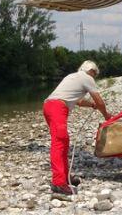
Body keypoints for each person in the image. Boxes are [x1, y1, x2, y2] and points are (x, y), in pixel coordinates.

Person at [43, 60, 111, 197]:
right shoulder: (87, 78)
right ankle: (58, 183)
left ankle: (65, 176)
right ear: (91, 70)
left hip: (49, 105)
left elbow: (78, 101)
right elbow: (99, 100)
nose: (94, 76)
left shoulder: (72, 76)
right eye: (94, 73)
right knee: (59, 143)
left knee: (63, 142)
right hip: (57, 107)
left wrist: (91, 105)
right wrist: (106, 116)